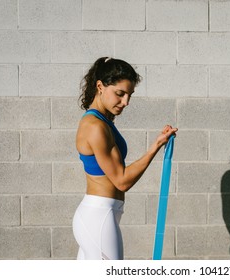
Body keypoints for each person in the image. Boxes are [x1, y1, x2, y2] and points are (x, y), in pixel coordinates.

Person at [72, 57, 177, 260]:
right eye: (120, 94)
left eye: (130, 95)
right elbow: (122, 180)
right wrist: (154, 148)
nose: (126, 102)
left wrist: (158, 142)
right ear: (100, 86)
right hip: (98, 217)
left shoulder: (103, 121)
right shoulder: (95, 127)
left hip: (101, 215)